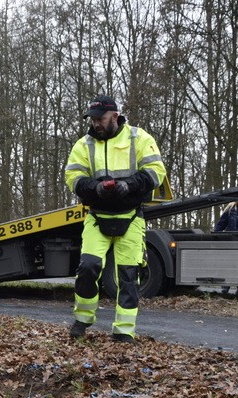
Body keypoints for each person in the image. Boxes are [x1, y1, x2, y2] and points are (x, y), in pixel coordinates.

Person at [63, 95, 167, 343]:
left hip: (131, 217)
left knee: (128, 275)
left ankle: (123, 330)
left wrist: (128, 185)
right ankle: (83, 318)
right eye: (93, 119)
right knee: (88, 267)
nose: (96, 123)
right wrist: (94, 188)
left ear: (115, 116)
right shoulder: (84, 144)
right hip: (97, 217)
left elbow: (156, 172)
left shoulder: (138, 138)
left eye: (101, 118)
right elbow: (73, 177)